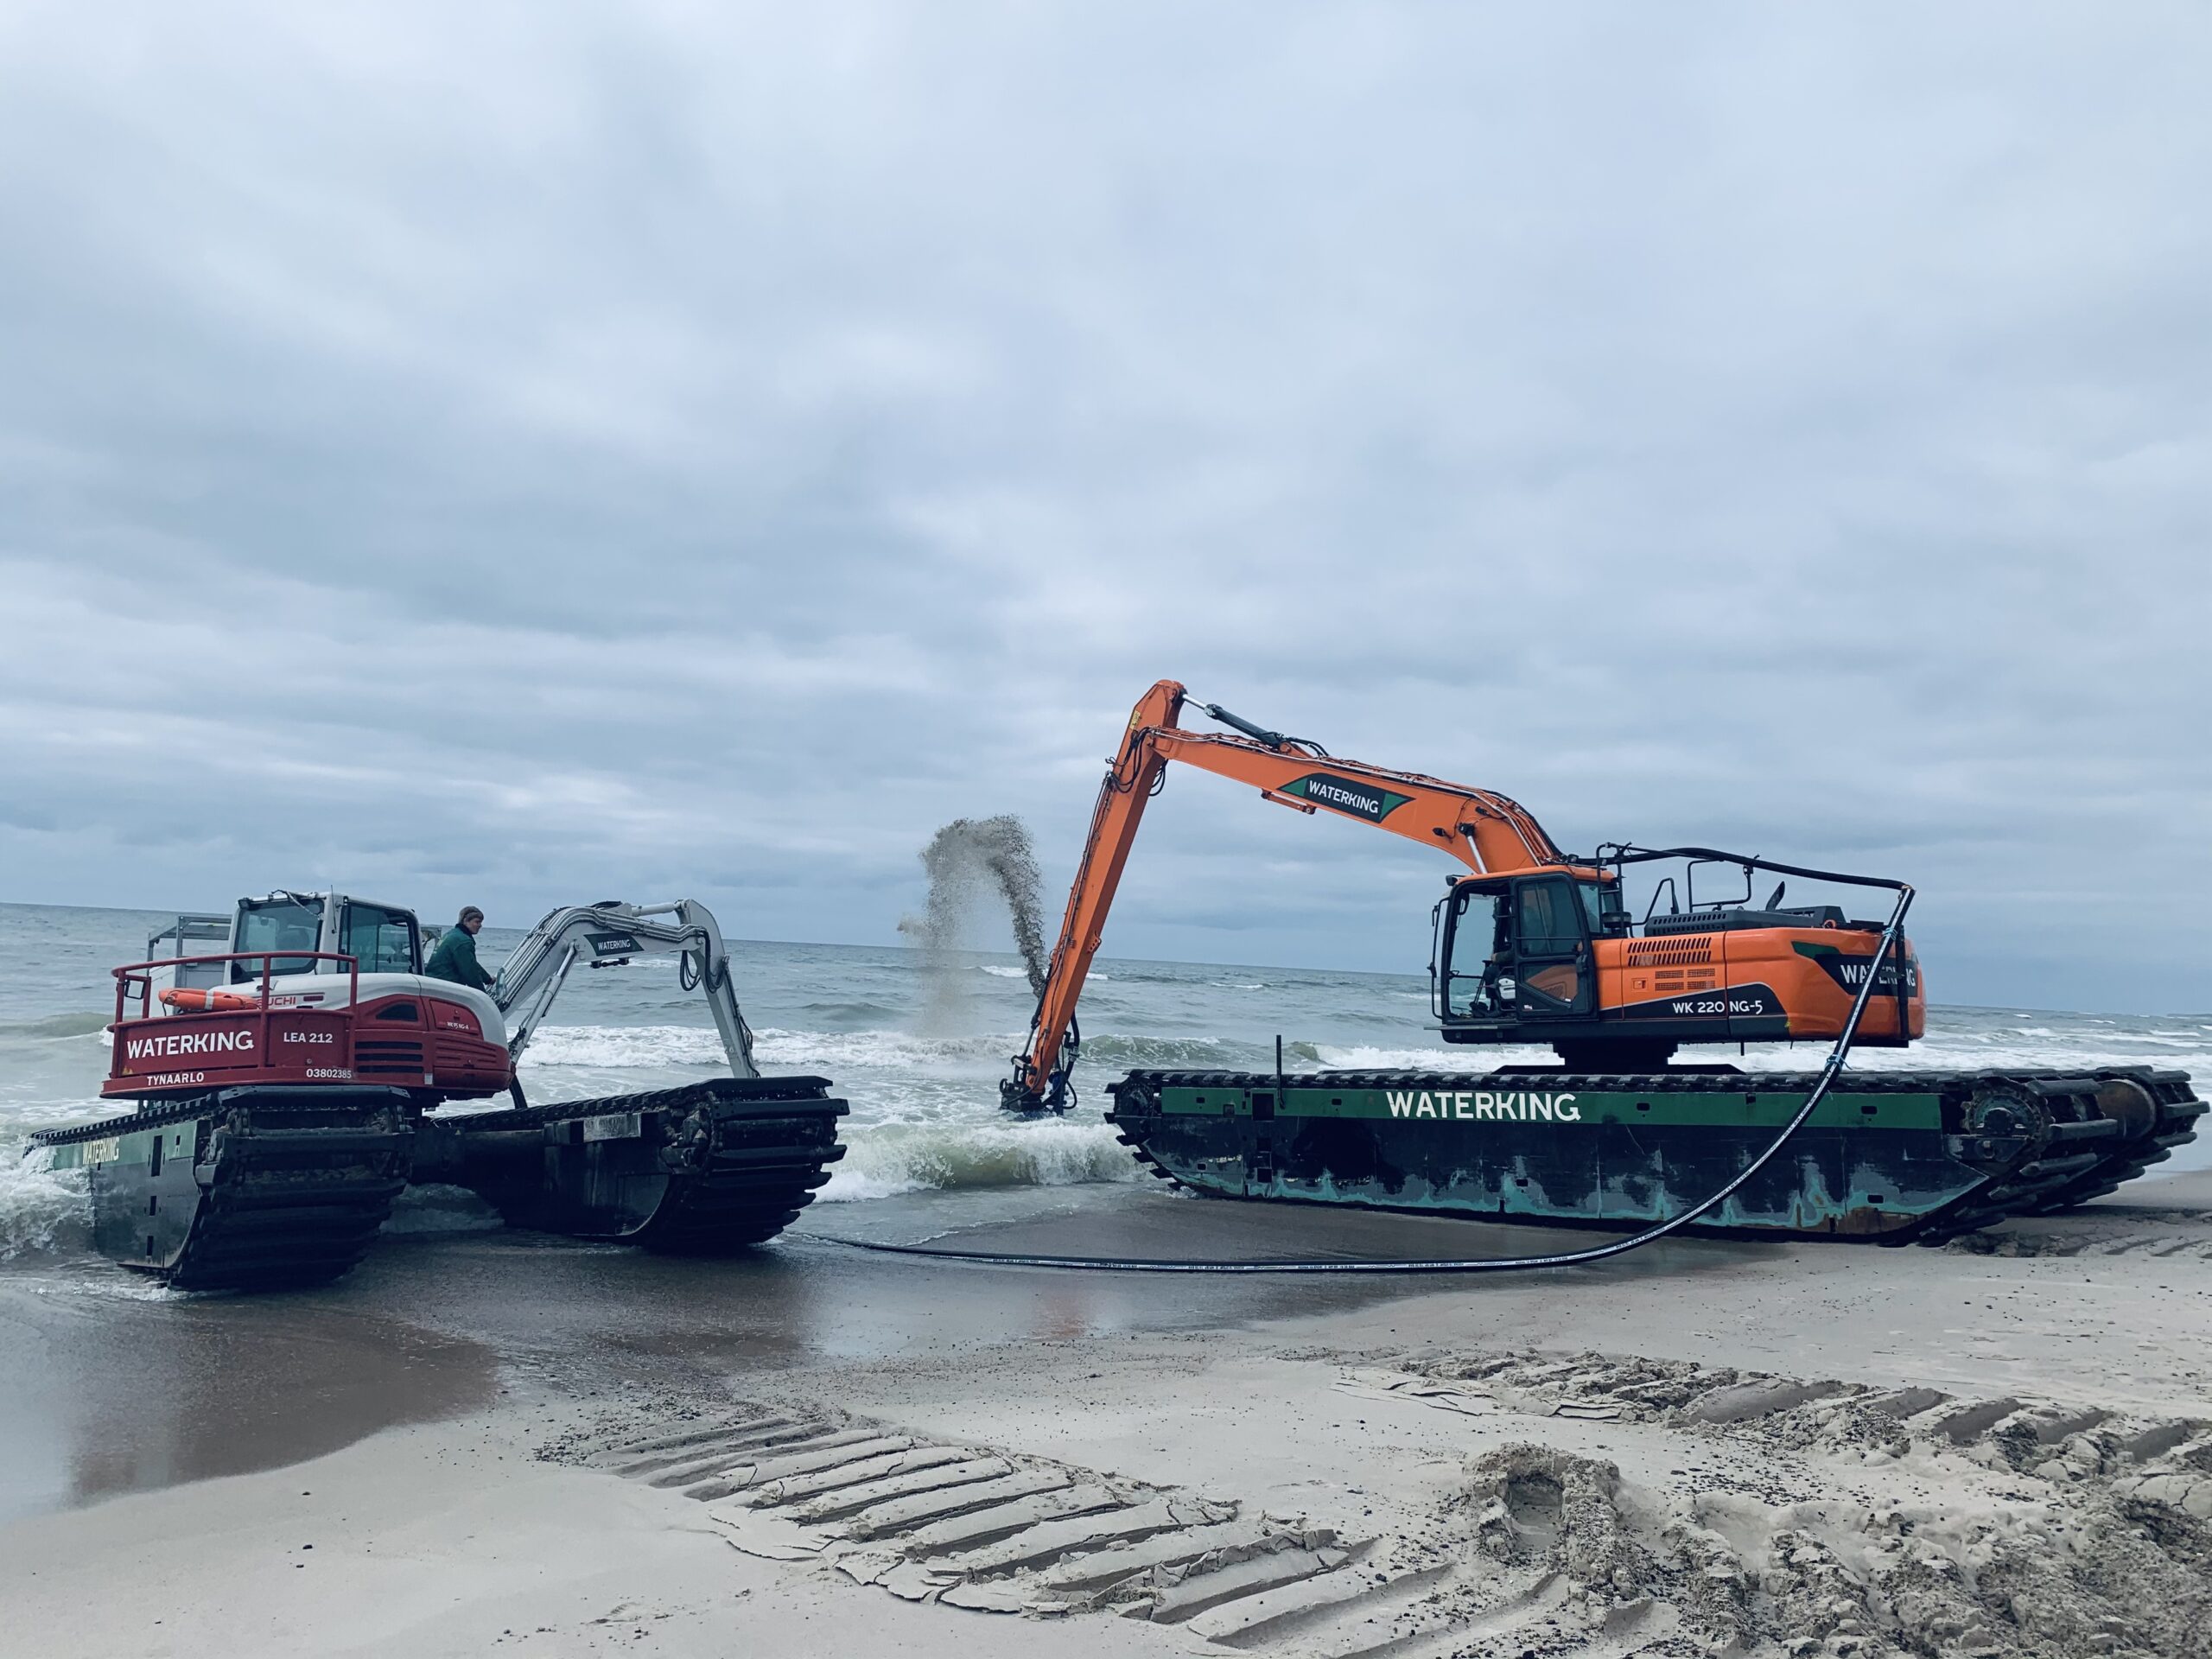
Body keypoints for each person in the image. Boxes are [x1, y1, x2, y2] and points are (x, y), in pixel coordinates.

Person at [423, 906, 496, 991]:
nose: (480, 925)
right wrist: (484, 997)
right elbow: (470, 973)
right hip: (444, 986)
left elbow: (471, 963)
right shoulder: (463, 941)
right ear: (466, 921)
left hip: (431, 982)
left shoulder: (450, 934)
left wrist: (487, 979)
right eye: (477, 922)